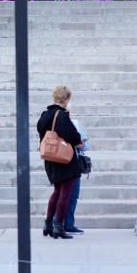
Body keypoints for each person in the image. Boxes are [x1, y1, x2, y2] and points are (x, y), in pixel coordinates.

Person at [37, 85, 84, 239]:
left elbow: (41, 132)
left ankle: (48, 224)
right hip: (64, 159)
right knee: (65, 193)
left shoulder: (45, 115)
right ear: (66, 99)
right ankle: (59, 226)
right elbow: (72, 135)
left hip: (50, 158)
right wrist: (80, 142)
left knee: (57, 191)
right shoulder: (62, 116)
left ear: (54, 97)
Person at [62, 116, 90, 235]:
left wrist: (80, 144)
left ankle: (65, 223)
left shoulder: (73, 123)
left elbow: (84, 145)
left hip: (66, 163)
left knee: (69, 195)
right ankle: (61, 223)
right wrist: (79, 143)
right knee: (67, 195)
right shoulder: (70, 124)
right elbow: (82, 144)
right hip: (67, 163)